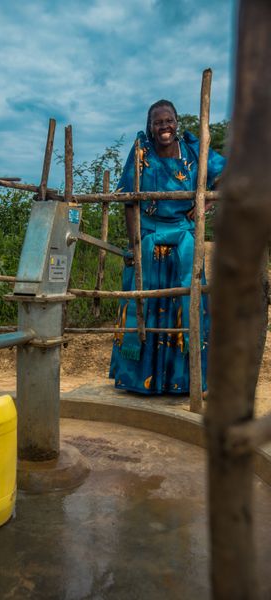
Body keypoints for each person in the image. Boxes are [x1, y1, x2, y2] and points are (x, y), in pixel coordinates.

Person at [109, 100, 226, 395]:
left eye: (169, 120)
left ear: (177, 123)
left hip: (184, 245)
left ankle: (184, 380)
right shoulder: (140, 153)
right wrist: (135, 245)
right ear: (150, 127)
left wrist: (207, 202)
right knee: (143, 306)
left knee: (187, 305)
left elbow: (226, 176)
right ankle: (141, 381)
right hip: (148, 241)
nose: (164, 126)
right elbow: (129, 201)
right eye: (158, 122)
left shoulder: (192, 150)